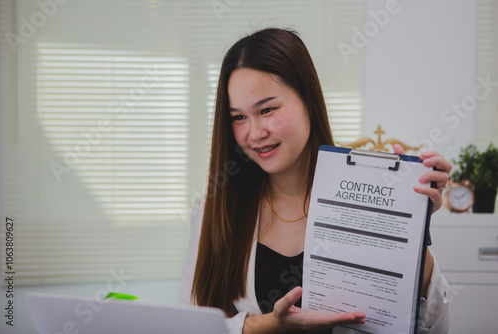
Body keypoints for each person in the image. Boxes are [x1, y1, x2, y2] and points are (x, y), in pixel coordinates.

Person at [179, 28, 451, 334]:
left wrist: (412, 228)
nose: (254, 133)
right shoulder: (213, 212)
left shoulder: (365, 200)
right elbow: (193, 323)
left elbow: (432, 326)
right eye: (239, 117)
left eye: (267, 109)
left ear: (308, 99)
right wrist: (263, 326)